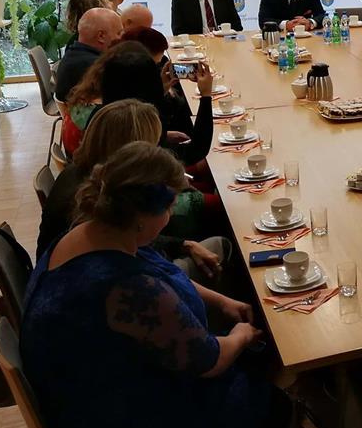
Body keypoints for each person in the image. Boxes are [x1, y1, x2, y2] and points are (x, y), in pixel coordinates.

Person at [22, 141, 290, 428]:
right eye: (169, 207)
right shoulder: (126, 288)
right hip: (120, 425)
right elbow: (209, 361)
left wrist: (221, 300)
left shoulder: (93, 231)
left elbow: (163, 272)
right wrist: (241, 336)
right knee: (273, 400)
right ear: (142, 216)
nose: (171, 215)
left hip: (93, 387)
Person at [36, 99, 232, 292]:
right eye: (153, 145)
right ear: (132, 151)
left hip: (68, 285)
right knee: (223, 241)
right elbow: (141, 257)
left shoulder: (81, 175)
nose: (155, 151)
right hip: (105, 290)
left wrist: (183, 244)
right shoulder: (93, 202)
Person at [54, 7, 123, 103]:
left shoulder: (73, 55)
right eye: (119, 33)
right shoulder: (96, 68)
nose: (122, 38)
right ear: (101, 36)